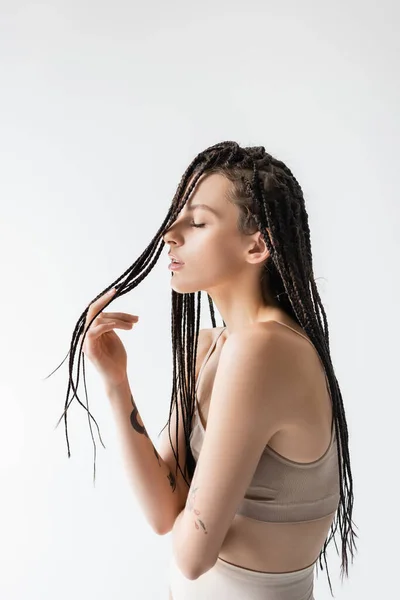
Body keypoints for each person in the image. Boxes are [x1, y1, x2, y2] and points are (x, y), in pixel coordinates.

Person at [49, 141, 358, 599]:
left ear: (257, 245)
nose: (169, 234)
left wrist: (188, 510)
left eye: (196, 222)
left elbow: (193, 556)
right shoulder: (213, 347)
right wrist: (116, 381)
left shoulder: (265, 350)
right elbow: (162, 514)